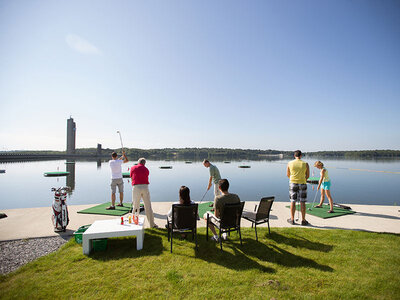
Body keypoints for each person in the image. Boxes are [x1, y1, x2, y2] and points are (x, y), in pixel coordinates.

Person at [130, 158, 158, 228]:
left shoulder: (133, 168)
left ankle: (134, 222)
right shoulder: (146, 169)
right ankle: (152, 224)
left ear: (138, 162)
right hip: (145, 187)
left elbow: (131, 176)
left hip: (136, 187)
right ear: (144, 163)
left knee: (135, 206)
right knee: (148, 206)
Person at [286, 150, 310, 225]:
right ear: (301, 155)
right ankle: (303, 220)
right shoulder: (305, 164)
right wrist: (303, 180)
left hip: (293, 183)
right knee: (302, 202)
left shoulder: (290, 163)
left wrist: (293, 179)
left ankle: (292, 219)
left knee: (293, 201)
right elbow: (308, 175)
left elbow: (288, 174)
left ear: (294, 155)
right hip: (302, 183)